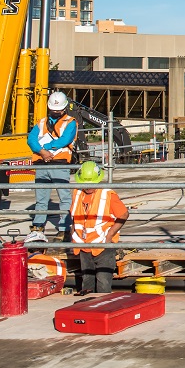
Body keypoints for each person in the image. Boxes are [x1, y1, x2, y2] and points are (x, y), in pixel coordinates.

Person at [70, 161, 129, 294]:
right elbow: (74, 214)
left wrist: (110, 235)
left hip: (103, 245)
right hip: (84, 245)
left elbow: (124, 214)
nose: (88, 187)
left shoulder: (107, 194)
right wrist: (73, 234)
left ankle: (103, 309)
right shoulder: (77, 193)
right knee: (87, 281)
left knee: (103, 283)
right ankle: (87, 309)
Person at [26, 91, 76, 242]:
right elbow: (31, 139)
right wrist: (42, 152)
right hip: (42, 164)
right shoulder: (41, 123)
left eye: (57, 110)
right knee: (41, 199)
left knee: (64, 198)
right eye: (53, 110)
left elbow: (65, 139)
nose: (55, 112)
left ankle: (64, 228)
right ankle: (38, 226)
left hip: (59, 164)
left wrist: (47, 148)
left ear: (64, 108)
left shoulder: (70, 122)